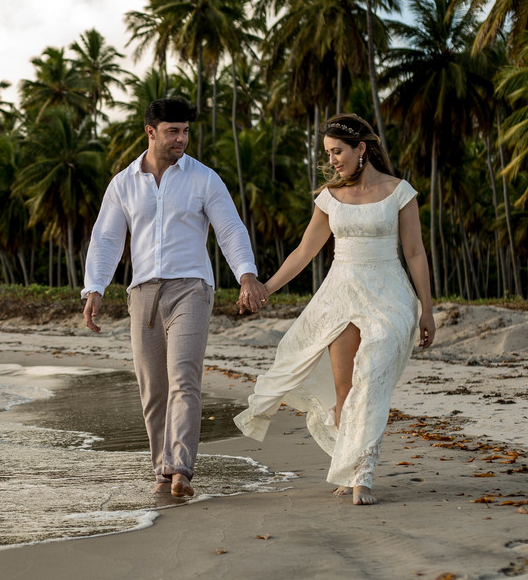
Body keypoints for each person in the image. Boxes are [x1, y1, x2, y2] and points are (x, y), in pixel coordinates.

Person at [232, 113, 435, 505]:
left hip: (389, 295)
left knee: (371, 380)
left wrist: (426, 310)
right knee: (345, 392)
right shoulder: (330, 197)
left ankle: (364, 475)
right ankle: (350, 466)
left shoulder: (399, 192)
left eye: (338, 151)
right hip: (340, 296)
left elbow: (414, 252)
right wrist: (265, 289)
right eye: (327, 153)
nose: (332, 160)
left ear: (362, 148)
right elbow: (304, 252)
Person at [82, 97, 265, 498]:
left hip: (191, 289)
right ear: (151, 132)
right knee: (153, 388)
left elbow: (230, 229)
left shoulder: (204, 179)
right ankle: (163, 467)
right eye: (173, 132)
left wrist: (246, 275)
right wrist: (94, 287)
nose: (181, 139)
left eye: (185, 131)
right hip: (142, 293)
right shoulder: (124, 183)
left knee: (184, 378)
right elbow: (107, 240)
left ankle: (181, 467)